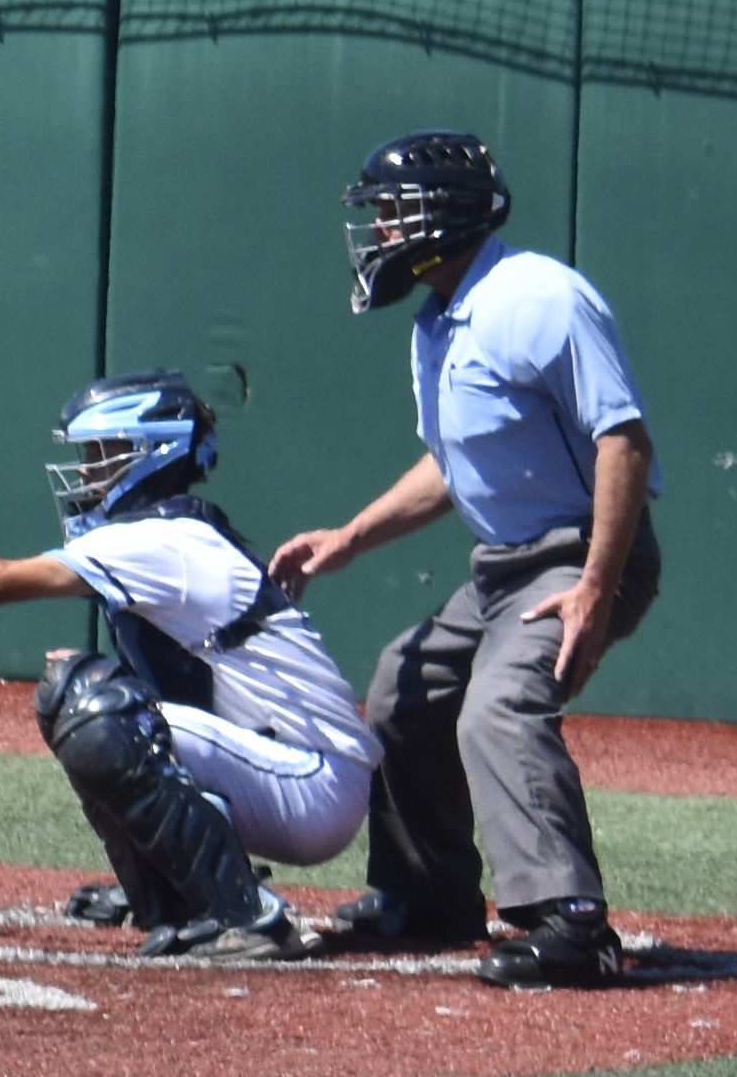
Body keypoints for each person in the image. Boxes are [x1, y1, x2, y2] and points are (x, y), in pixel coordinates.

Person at [0, 370, 378, 963]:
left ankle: (251, 920)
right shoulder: (170, 533)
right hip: (289, 772)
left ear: (151, 453)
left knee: (98, 709)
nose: (88, 470)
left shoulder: (165, 541)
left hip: (314, 785)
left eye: (103, 453)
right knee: (76, 694)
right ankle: (179, 894)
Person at [268, 131, 660, 990]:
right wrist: (348, 537)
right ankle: (430, 895)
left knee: (499, 707)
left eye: (394, 211)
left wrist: (596, 584)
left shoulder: (538, 297)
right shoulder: (439, 322)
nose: (378, 230)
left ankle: (571, 922)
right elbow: (451, 465)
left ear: (445, 214)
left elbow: (622, 442)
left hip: (581, 554)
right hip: (504, 569)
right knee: (405, 687)